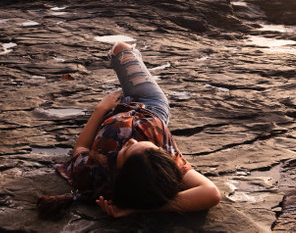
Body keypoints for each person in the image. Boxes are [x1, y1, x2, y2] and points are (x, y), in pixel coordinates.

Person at [39, 42, 220, 219]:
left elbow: (80, 146)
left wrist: (100, 109)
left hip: (111, 111)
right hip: (151, 104)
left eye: (126, 150)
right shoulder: (159, 165)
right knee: (122, 49)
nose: (132, 141)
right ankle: (122, 57)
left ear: (120, 172)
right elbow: (211, 194)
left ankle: (116, 59)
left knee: (120, 49)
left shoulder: (94, 170)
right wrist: (149, 206)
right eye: (150, 146)